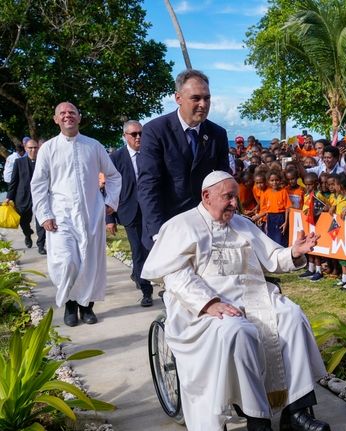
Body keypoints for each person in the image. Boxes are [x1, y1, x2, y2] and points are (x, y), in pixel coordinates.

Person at [141, 171, 329, 431]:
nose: (234, 203)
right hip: (205, 306)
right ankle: (257, 419)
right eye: (227, 197)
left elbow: (272, 258)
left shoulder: (242, 223)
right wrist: (208, 303)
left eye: (235, 197)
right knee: (238, 331)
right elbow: (174, 274)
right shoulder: (181, 226)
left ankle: (296, 411)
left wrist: (293, 253)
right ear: (206, 196)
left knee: (292, 317)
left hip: (255, 298)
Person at [30, 102, 122, 327]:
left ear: (79, 118)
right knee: (67, 262)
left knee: (89, 262)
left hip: (91, 213)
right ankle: (70, 305)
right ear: (55, 119)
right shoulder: (49, 149)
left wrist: (109, 202)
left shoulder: (93, 146)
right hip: (60, 216)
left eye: (72, 112)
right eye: (62, 113)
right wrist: (44, 215)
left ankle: (86, 306)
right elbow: (39, 183)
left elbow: (113, 175)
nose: (67, 116)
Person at [137, 69, 230, 250]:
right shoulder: (155, 131)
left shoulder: (217, 134)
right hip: (168, 226)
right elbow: (148, 185)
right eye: (196, 98)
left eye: (207, 98)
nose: (203, 104)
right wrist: (158, 232)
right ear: (178, 98)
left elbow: (223, 181)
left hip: (207, 228)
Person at [106, 120, 153, 307]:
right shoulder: (115, 158)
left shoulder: (151, 154)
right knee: (138, 250)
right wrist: (109, 218)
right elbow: (107, 189)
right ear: (125, 136)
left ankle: (139, 274)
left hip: (151, 211)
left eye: (141, 133)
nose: (138, 137)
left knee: (153, 248)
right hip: (130, 212)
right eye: (134, 134)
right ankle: (146, 290)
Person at [6, 138, 45, 254]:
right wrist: (9, 197)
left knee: (41, 221)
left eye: (35, 147)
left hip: (40, 197)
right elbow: (14, 181)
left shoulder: (44, 162)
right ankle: (27, 234)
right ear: (25, 149)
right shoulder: (18, 163)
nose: (33, 150)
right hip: (22, 197)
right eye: (30, 148)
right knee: (24, 221)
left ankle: (41, 245)